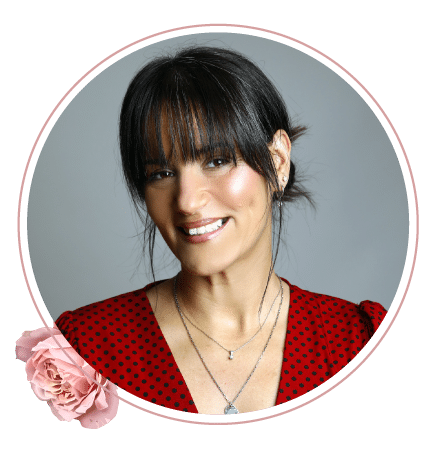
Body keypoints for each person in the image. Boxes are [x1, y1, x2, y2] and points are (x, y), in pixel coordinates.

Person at [56, 46, 387, 415]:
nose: (187, 201)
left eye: (216, 161)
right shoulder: (80, 353)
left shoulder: (360, 342)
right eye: (161, 173)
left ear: (278, 162)